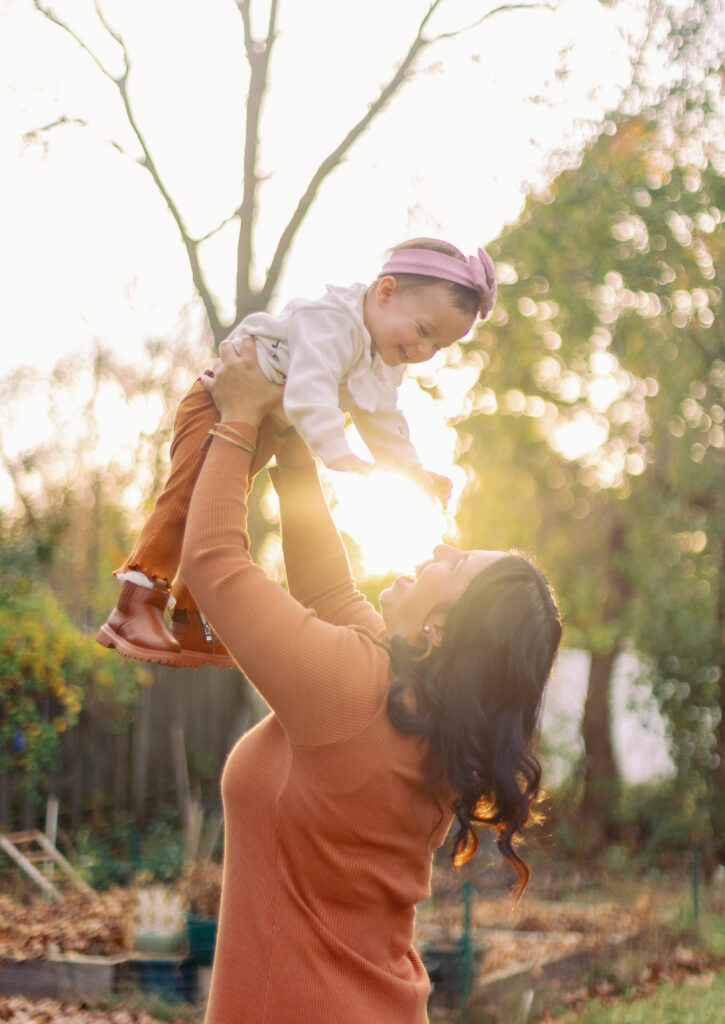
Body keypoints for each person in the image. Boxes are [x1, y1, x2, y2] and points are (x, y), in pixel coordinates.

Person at [178, 337, 562, 1024]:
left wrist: (238, 421)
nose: (440, 547)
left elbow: (211, 563)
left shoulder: (357, 689)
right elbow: (326, 585)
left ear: (443, 630)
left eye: (456, 564)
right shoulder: (420, 714)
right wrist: (292, 452)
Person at [96, 238, 497, 669]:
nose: (422, 352)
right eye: (422, 331)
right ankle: (134, 605)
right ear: (386, 292)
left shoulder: (382, 357)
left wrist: (413, 471)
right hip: (218, 401)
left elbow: (382, 416)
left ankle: (190, 620)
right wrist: (337, 452)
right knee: (185, 500)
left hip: (260, 420)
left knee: (216, 512)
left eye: (436, 347)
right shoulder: (332, 321)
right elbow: (311, 388)